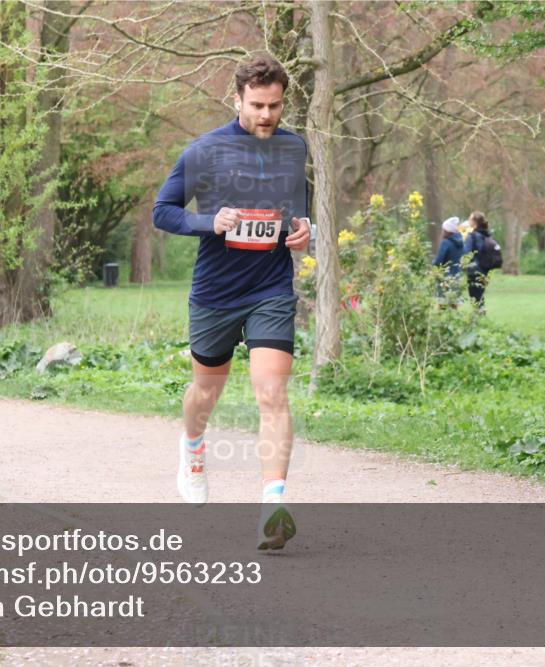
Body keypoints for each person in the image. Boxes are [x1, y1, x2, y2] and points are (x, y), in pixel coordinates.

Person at [153, 55, 311, 550]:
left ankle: (273, 504)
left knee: (272, 394)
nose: (267, 115)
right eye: (258, 105)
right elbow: (163, 211)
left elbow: (297, 205)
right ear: (237, 99)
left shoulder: (293, 147)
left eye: (275, 105)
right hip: (216, 293)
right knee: (206, 393)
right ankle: (193, 447)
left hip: (270, 288)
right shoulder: (205, 151)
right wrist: (208, 223)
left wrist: (303, 230)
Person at [432, 216, 464, 306]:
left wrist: (433, 263)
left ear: (447, 231)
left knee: (442, 304)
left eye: (443, 230)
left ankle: (442, 320)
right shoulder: (461, 243)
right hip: (457, 276)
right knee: (454, 304)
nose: (442, 232)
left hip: (445, 277)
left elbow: (439, 261)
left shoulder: (445, 243)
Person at [463, 211, 491, 311]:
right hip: (485, 270)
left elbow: (466, 253)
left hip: (473, 270)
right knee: (480, 295)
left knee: (474, 297)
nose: (468, 220)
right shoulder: (487, 235)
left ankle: (477, 319)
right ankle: (481, 317)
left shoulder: (472, 236)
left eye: (470, 218)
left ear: (474, 222)